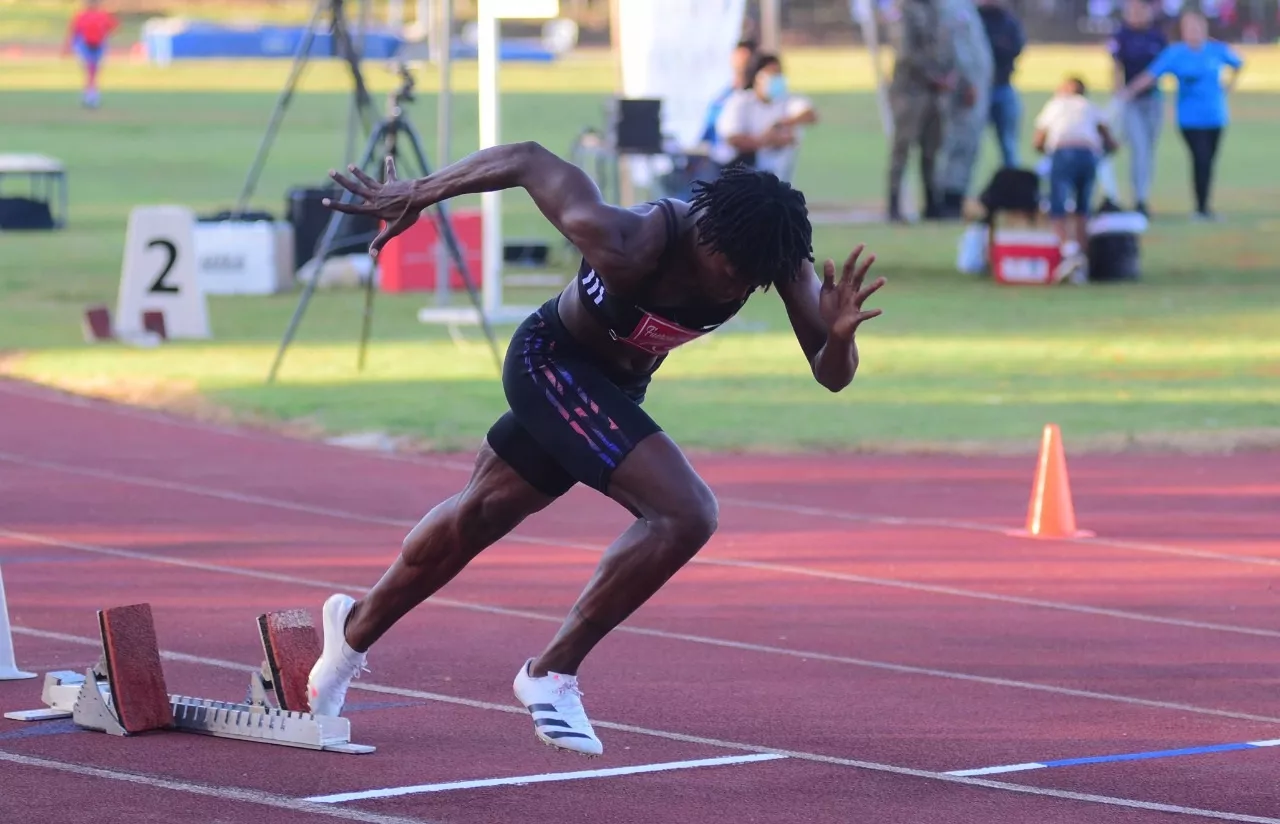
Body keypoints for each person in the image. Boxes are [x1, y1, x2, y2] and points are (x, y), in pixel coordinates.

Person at [306, 149, 885, 757]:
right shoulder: (633, 238)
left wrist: (841, 339)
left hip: (613, 388)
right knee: (686, 513)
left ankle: (345, 641)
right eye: (729, 270)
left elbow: (831, 374)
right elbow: (528, 161)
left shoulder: (769, 251)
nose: (735, 286)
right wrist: (421, 191)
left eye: (750, 281)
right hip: (549, 363)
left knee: (479, 513)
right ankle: (550, 674)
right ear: (707, 231)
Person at [1120, 10, 1243, 220]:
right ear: (1183, 31)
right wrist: (1128, 91)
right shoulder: (1175, 53)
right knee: (1200, 159)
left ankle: (1203, 206)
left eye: (1197, 27)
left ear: (1204, 29)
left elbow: (1238, 64)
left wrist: (1228, 87)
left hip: (1215, 116)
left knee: (1208, 161)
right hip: (1190, 119)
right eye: (1189, 28)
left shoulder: (1216, 50)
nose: (1194, 32)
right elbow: (1151, 75)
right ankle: (1201, 209)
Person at [1033, 77, 1119, 282]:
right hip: (1089, 154)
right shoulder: (1090, 106)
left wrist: (1046, 152)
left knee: (1057, 207)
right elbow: (1110, 141)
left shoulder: (1055, 105)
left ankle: (1068, 250)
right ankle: (1082, 263)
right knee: (1082, 209)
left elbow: (1037, 140)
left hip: (1063, 152)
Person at [887, 0, 952, 222]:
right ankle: (894, 205)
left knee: (932, 149)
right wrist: (933, 77)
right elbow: (905, 52)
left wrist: (949, 75)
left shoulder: (937, 9)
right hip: (911, 91)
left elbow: (946, 45)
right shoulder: (904, 10)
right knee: (902, 149)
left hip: (936, 93)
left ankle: (932, 204)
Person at [933, 0, 994, 220]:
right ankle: (949, 200)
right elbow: (959, 48)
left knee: (968, 145)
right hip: (965, 91)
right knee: (959, 144)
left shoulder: (965, 7)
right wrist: (968, 81)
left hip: (976, 87)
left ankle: (956, 198)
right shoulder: (953, 8)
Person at [715, 53, 818, 181]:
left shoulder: (786, 100)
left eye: (779, 73)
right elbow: (732, 138)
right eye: (771, 74)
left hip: (779, 176)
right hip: (741, 177)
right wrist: (766, 140)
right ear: (757, 77)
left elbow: (810, 114)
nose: (777, 78)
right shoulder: (740, 102)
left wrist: (782, 124)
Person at [1108, 0, 1169, 216]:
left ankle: (1142, 194)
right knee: (1139, 148)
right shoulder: (1121, 36)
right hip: (1130, 103)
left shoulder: (1157, 36)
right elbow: (1115, 66)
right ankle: (1138, 199)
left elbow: (1159, 70)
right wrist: (1120, 93)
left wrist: (1133, 88)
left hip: (1152, 100)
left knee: (1149, 150)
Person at [976, 0, 1026, 169]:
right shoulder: (973, 18)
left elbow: (1016, 47)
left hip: (1002, 86)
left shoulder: (1008, 20)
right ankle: (959, 191)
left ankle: (1012, 187)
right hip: (977, 90)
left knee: (1009, 145)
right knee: (970, 145)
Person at [62, 0, 118, 109]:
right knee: (91, 71)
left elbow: (112, 28)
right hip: (87, 45)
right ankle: (91, 96)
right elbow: (75, 32)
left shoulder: (100, 15)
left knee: (92, 71)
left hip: (96, 45)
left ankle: (91, 96)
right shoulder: (85, 16)